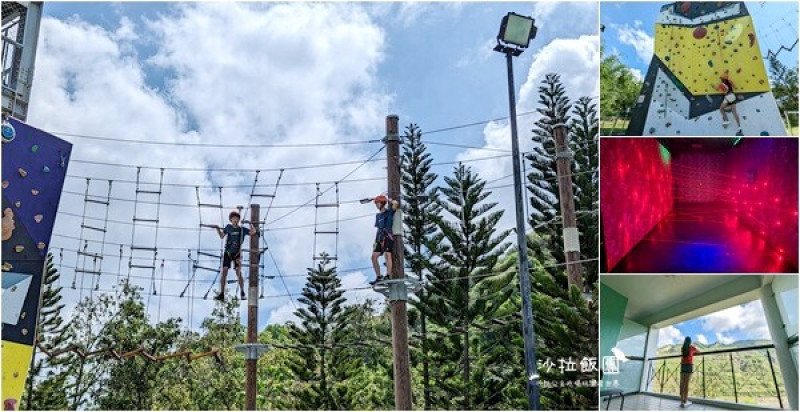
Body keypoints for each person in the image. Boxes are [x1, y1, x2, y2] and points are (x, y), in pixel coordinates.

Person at [212, 210, 254, 301]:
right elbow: (222, 236)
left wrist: (249, 223)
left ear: (238, 220)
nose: (235, 220)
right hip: (228, 252)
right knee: (224, 272)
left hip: (237, 253)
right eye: (233, 218)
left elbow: (252, 232)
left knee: (238, 272)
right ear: (231, 220)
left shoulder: (242, 229)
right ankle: (222, 293)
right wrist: (217, 228)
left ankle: (242, 292)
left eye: (237, 218)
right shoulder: (228, 227)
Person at [370, 195, 397, 285]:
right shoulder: (378, 216)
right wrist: (375, 241)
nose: (376, 205)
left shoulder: (389, 212)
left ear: (382, 203)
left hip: (388, 237)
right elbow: (378, 229)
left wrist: (388, 199)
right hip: (379, 238)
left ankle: (388, 276)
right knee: (374, 257)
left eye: (377, 203)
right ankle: (378, 277)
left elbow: (395, 203)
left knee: (387, 255)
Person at [679, 336, 700, 408]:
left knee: (682, 383)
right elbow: (699, 351)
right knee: (686, 384)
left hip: (683, 366)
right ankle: (685, 400)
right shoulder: (691, 347)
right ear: (690, 341)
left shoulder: (683, 348)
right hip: (688, 366)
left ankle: (682, 400)